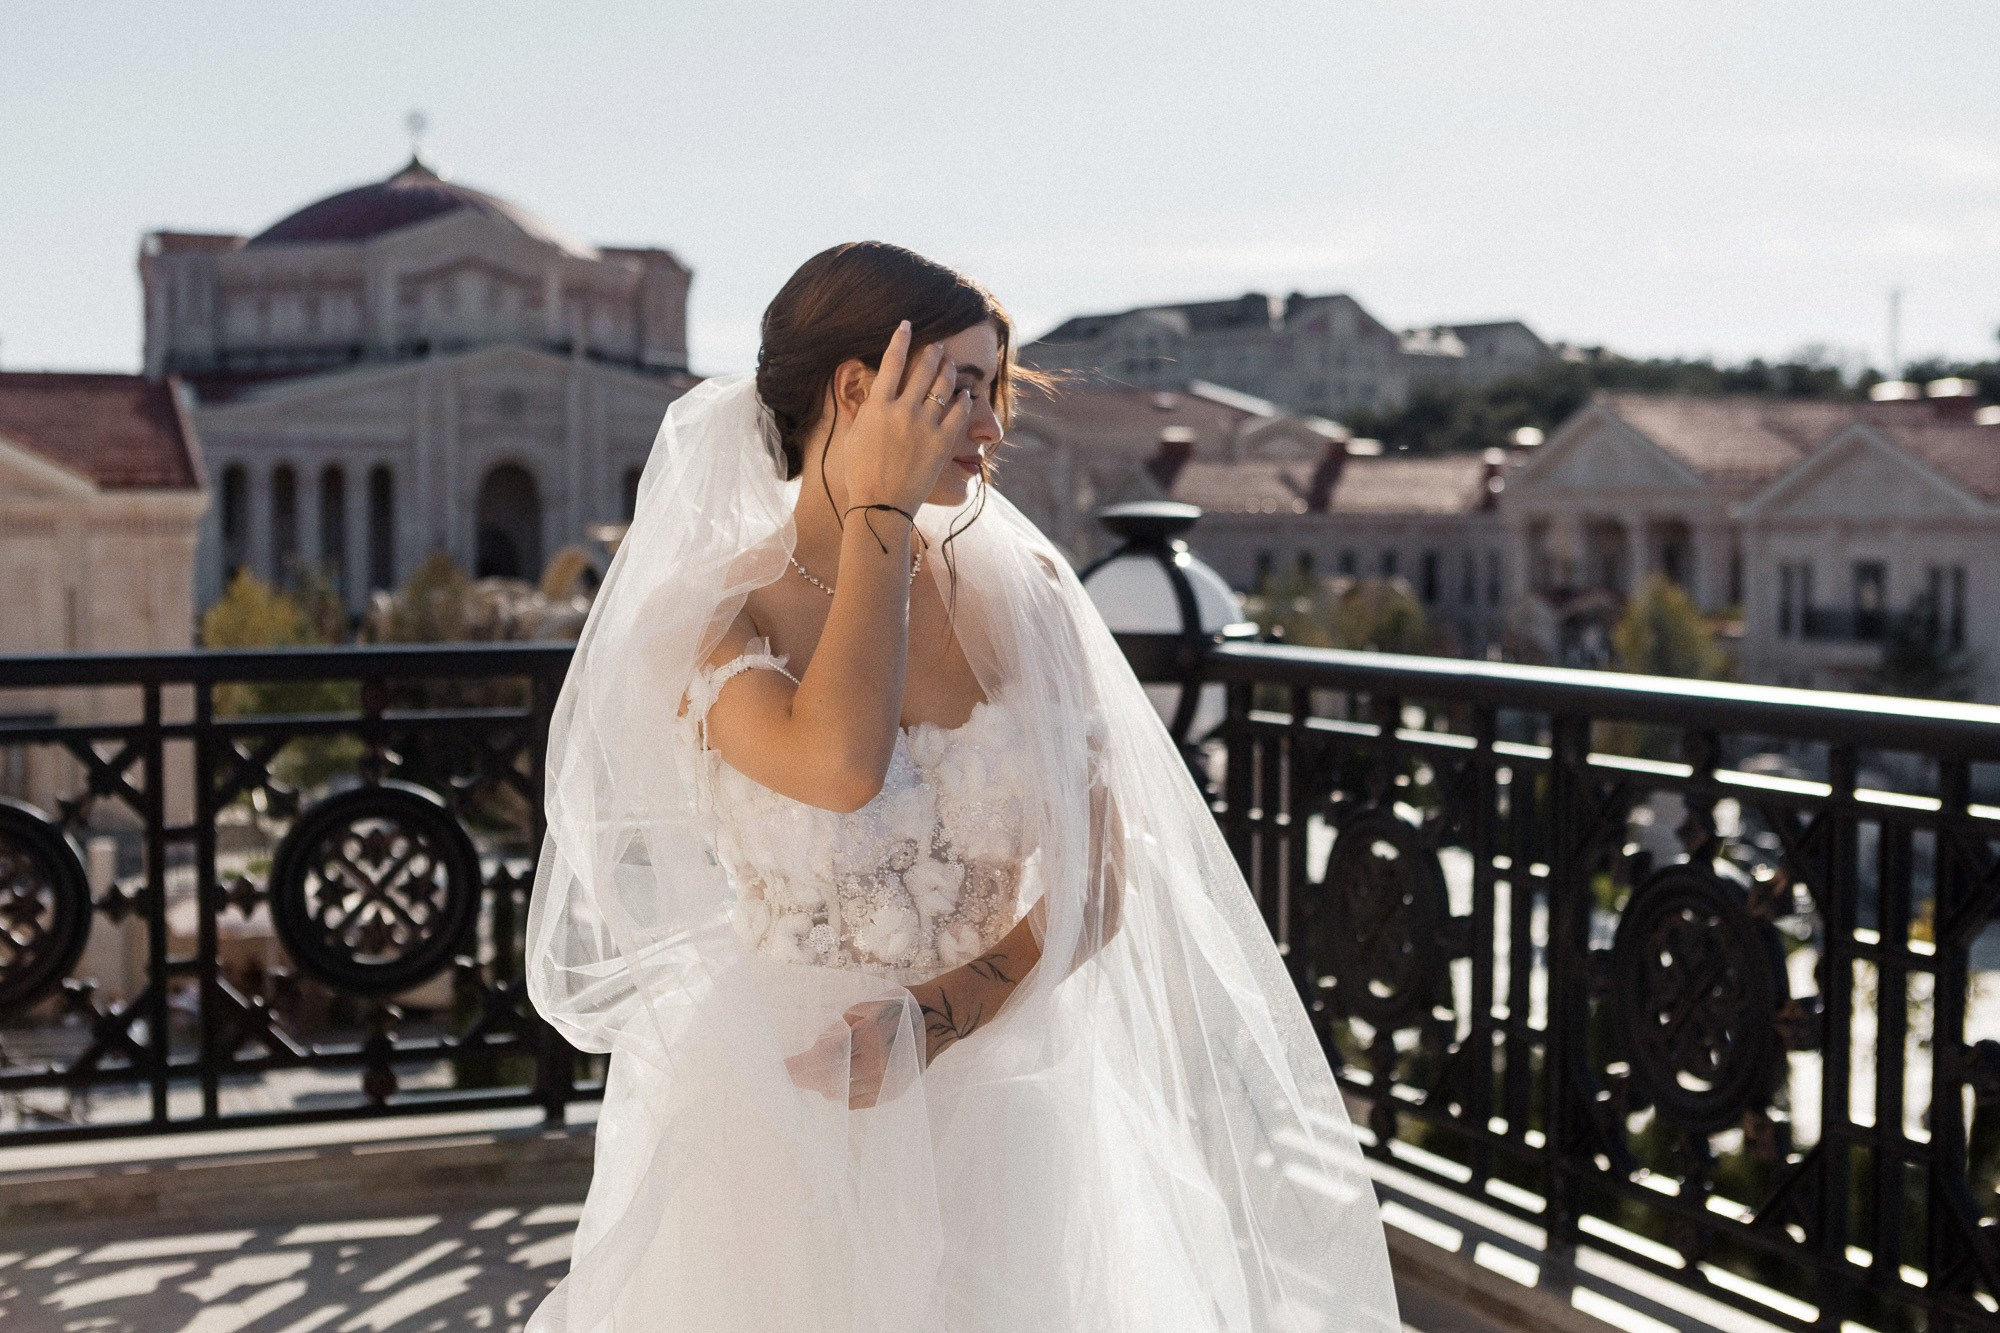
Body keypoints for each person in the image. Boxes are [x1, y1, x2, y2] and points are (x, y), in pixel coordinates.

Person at [526, 242, 1398, 1332]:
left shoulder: (1020, 589)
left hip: (1011, 1107)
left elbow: (1100, 881)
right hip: (790, 1109)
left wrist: (936, 1021)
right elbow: (839, 769)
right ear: (857, 390)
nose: (992, 426)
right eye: (962, 389)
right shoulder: (711, 619)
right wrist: (878, 521)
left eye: (994, 390)